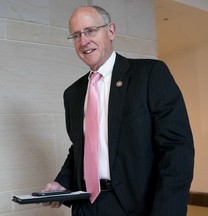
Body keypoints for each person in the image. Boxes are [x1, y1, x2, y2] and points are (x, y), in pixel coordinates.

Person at [42, 5, 194, 216]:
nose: (83, 40)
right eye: (76, 35)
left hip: (136, 207)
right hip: (85, 206)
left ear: (111, 31)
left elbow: (177, 150)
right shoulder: (73, 94)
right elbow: (80, 150)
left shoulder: (150, 74)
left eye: (90, 31)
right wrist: (61, 182)